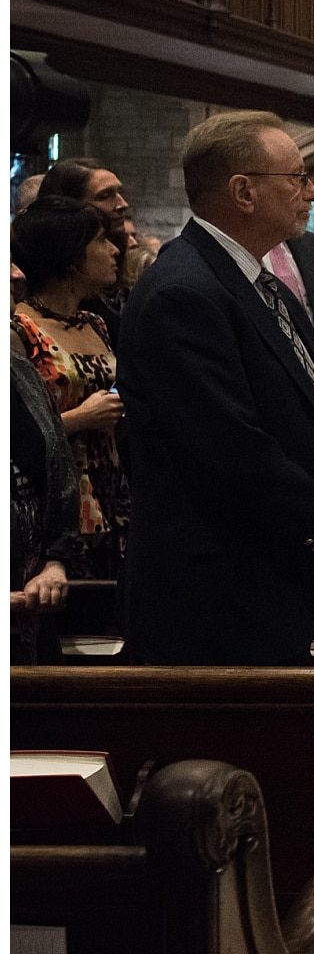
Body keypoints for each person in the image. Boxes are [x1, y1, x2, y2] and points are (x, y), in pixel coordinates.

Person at [120, 112, 314, 664]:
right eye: (298, 178)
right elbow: (231, 447)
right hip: (217, 596)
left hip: (269, 579)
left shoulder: (265, 286)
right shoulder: (183, 293)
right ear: (243, 191)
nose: (310, 192)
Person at [11, 197, 131, 580]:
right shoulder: (19, 331)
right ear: (69, 257)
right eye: (100, 241)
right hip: (63, 502)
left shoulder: (95, 323)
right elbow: (16, 436)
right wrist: (81, 418)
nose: (114, 250)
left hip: (115, 490)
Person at [12, 279, 81, 642]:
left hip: (29, 617)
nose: (16, 275)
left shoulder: (19, 370)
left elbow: (58, 472)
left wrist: (54, 561)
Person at [40, 156, 133, 344]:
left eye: (119, 192)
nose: (123, 204)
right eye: (105, 196)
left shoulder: (118, 260)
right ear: (70, 205)